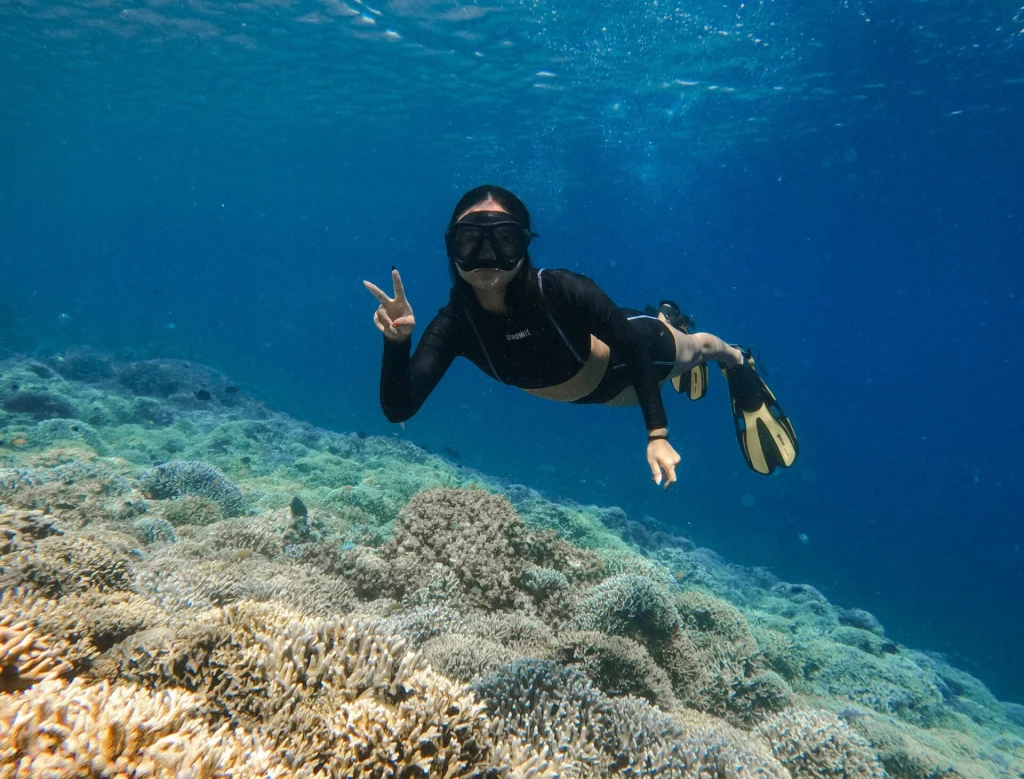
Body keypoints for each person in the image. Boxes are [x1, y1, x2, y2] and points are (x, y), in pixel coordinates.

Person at [363, 185, 798, 489]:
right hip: (595, 375)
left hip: (633, 362)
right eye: (471, 241)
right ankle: (669, 316)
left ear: (525, 244)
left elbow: (629, 347)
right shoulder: (454, 324)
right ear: (450, 247)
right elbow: (399, 406)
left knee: (696, 348)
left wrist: (657, 435)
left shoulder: (562, 289)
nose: (487, 257)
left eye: (505, 240)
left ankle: (736, 360)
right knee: (640, 324)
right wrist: (396, 343)